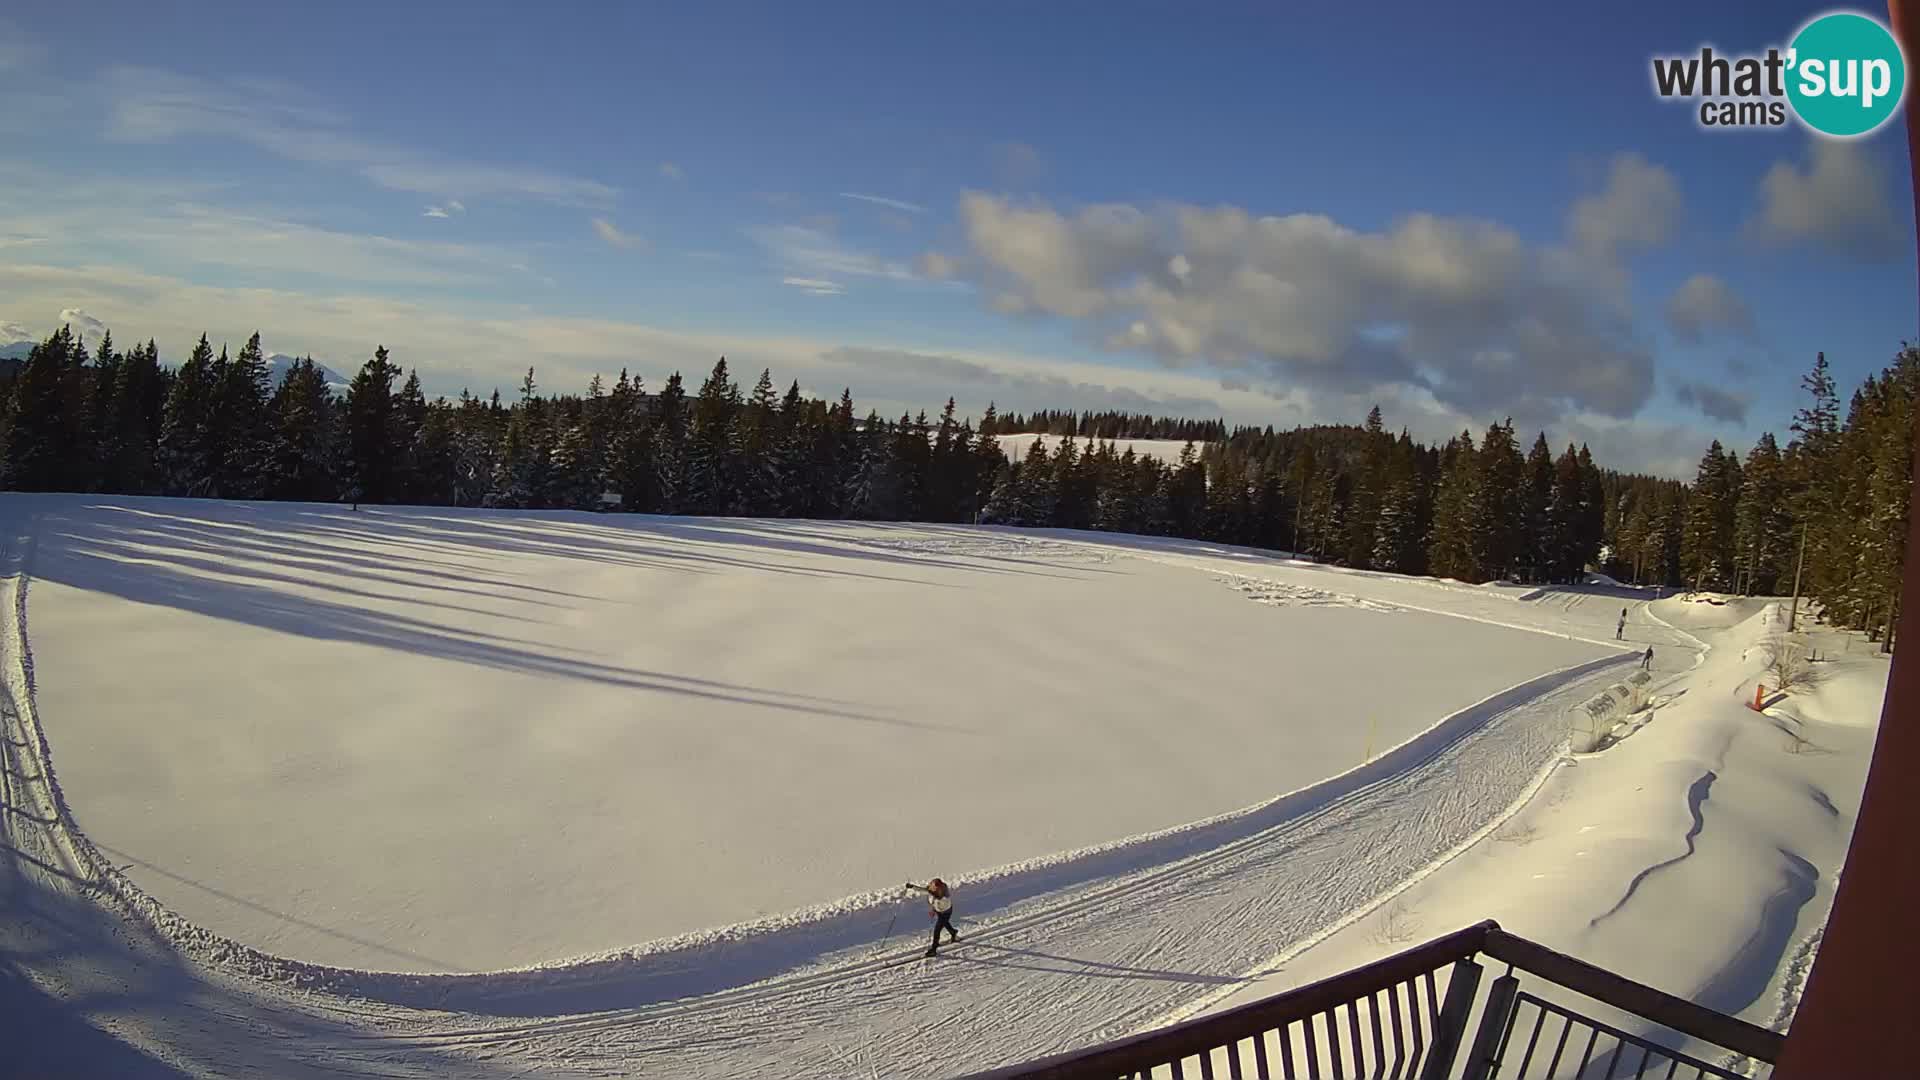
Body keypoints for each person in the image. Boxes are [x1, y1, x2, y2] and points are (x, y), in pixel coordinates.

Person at [906, 878, 959, 956]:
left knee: (937, 930)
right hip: (939, 911)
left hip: (945, 912)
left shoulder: (945, 898)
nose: (933, 889)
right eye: (933, 887)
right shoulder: (933, 891)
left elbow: (940, 904)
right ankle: (953, 932)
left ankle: (934, 949)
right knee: (944, 923)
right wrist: (912, 887)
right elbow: (923, 890)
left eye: (935, 888)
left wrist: (933, 909)